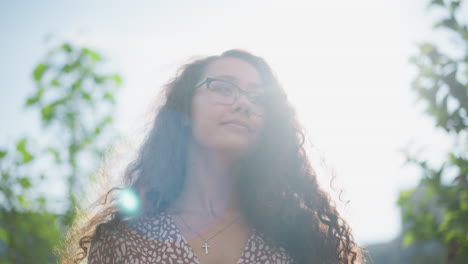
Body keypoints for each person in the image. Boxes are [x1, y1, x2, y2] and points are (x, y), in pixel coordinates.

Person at [60, 49, 365, 264]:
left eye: (258, 98)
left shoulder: (300, 240)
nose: (244, 104)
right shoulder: (121, 243)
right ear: (183, 109)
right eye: (223, 88)